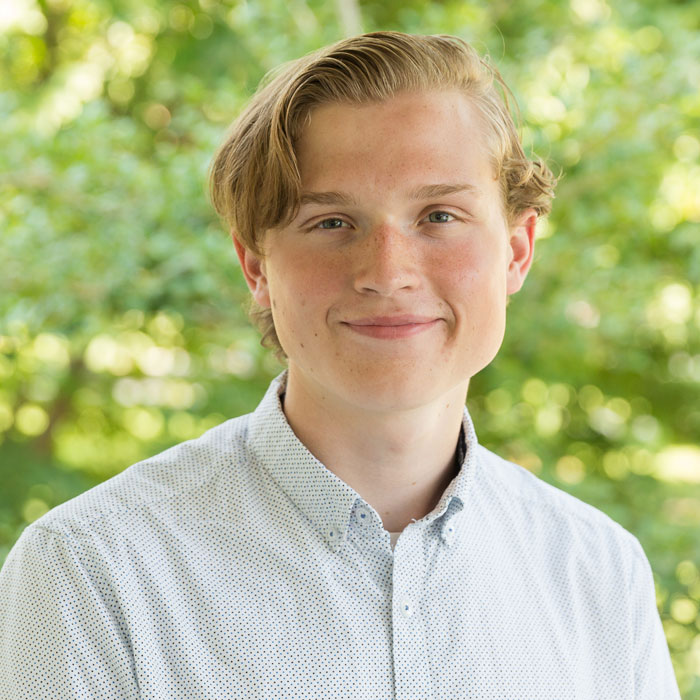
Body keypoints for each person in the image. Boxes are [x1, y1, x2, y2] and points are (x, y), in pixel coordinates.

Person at [0, 31, 681, 699]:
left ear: (516, 250)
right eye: (331, 223)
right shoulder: (91, 572)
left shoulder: (599, 572)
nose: (388, 272)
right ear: (256, 266)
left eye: (439, 215)